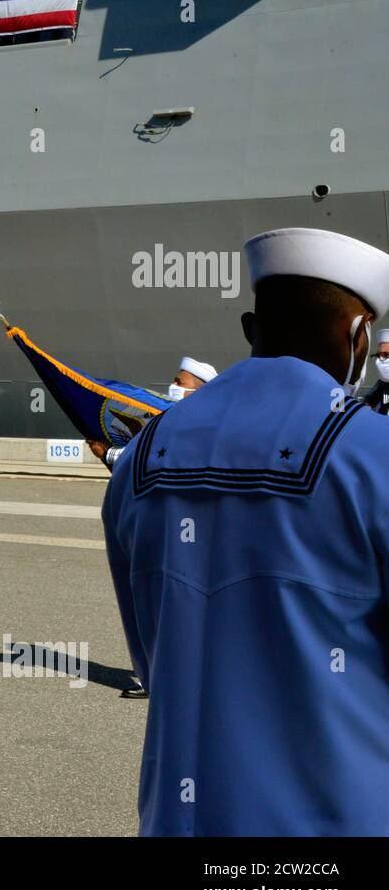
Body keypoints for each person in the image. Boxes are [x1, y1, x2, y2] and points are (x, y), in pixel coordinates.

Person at [103, 227, 389, 835]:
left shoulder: (140, 459)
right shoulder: (375, 455)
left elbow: (152, 657)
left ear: (250, 328)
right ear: (360, 336)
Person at [87, 356, 217, 470]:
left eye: (179, 382)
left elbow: (152, 452)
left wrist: (107, 454)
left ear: (199, 391)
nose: (173, 385)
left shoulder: (190, 420)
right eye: (174, 380)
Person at [362, 329, 389, 414]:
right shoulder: (383, 384)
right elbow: (369, 401)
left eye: (386, 355)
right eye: (379, 355)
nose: (381, 360)